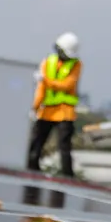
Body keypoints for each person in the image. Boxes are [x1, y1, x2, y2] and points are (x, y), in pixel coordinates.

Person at [26, 31, 81, 177]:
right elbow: (41, 90)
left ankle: (67, 177)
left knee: (64, 148)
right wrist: (35, 108)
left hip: (65, 112)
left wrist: (45, 80)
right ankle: (32, 171)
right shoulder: (48, 63)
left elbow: (67, 85)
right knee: (36, 143)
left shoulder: (75, 65)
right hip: (47, 111)